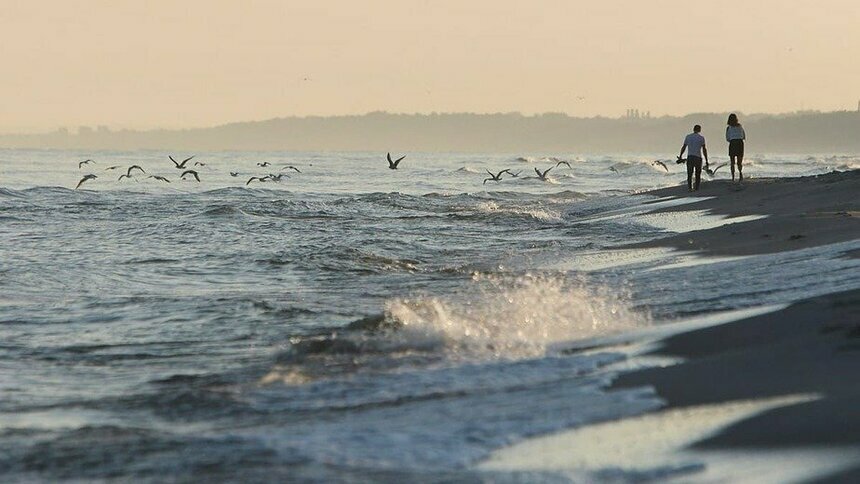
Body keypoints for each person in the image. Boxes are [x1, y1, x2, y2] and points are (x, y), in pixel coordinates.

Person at [678, 124, 708, 191]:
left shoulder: (688, 137)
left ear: (693, 129)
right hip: (698, 157)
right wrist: (706, 160)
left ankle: (690, 188)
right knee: (698, 173)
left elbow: (684, 147)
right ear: (699, 130)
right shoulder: (701, 138)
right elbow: (704, 149)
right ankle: (696, 188)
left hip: (690, 157)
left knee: (689, 173)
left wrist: (680, 156)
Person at [726, 113, 746, 181]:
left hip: (733, 143)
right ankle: (740, 173)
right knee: (739, 162)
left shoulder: (729, 128)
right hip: (740, 143)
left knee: (732, 162)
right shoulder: (740, 126)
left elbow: (727, 138)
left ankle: (733, 177)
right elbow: (743, 136)